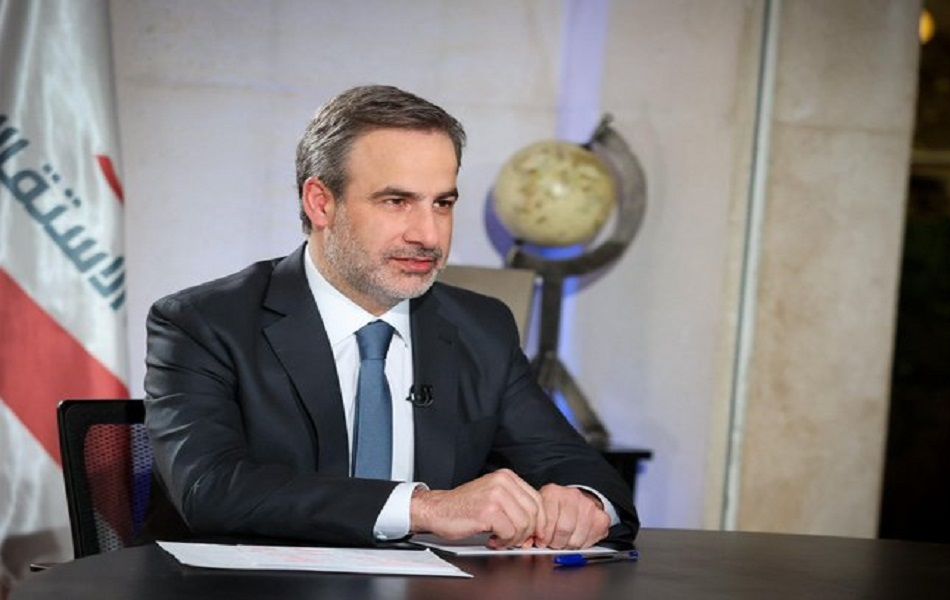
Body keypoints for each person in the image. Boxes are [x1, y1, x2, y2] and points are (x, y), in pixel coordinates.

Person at [143, 85, 639, 549]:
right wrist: (424, 508)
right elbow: (210, 488)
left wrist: (583, 503)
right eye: (397, 202)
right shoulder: (205, 324)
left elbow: (576, 466)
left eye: (442, 203)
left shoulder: (481, 327)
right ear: (321, 203)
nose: (429, 235)